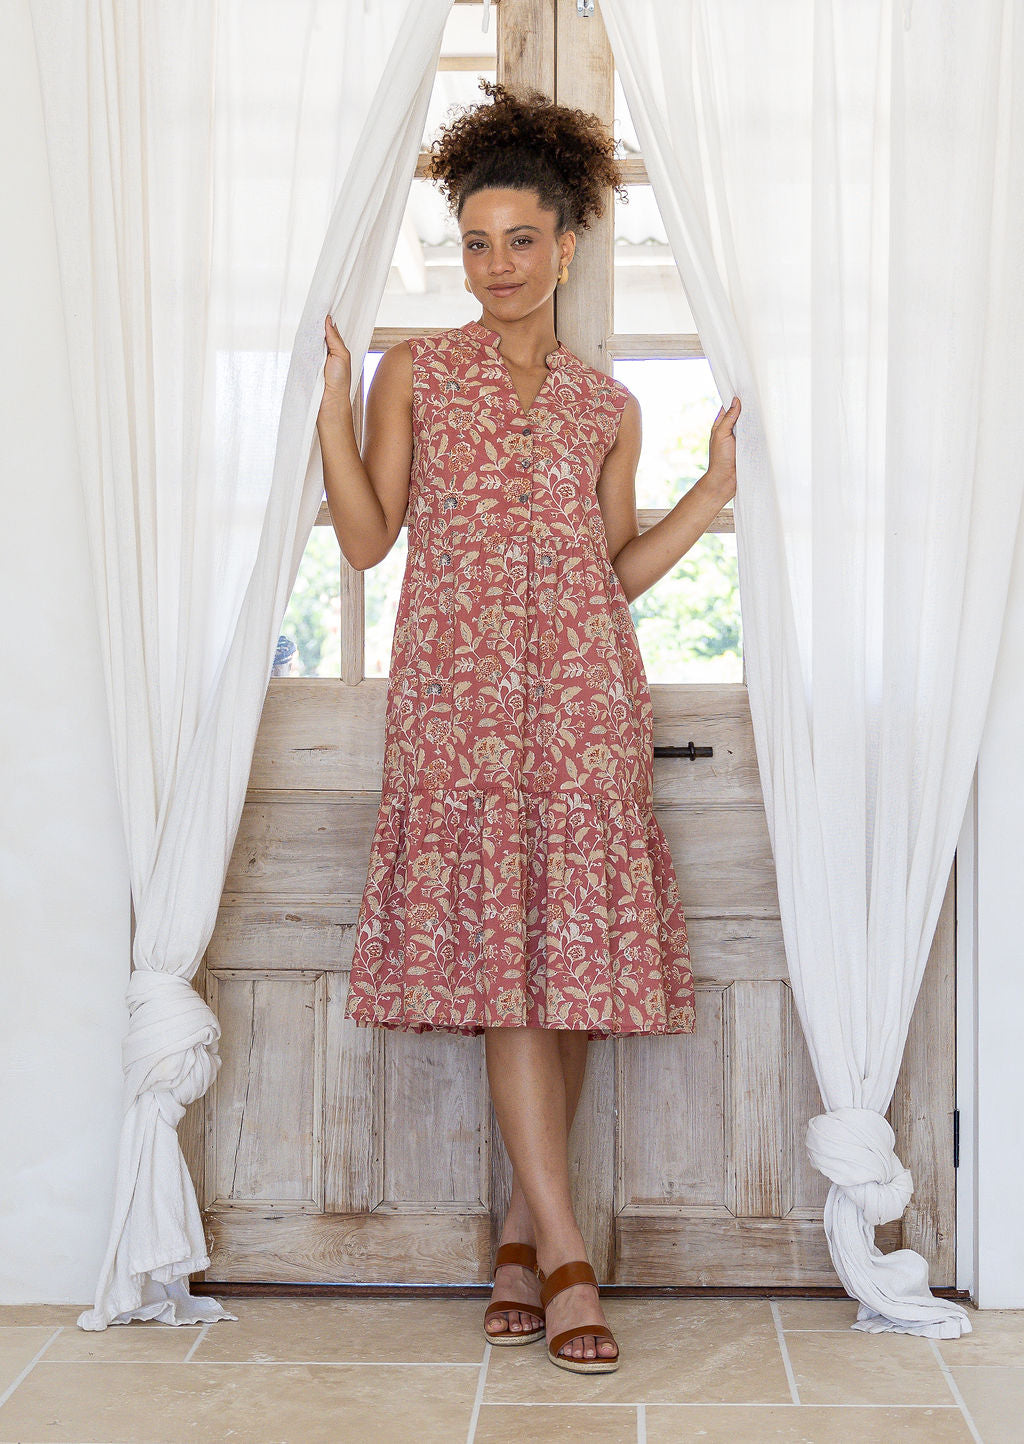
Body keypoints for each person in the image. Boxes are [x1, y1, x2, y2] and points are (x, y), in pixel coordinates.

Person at [315, 79, 739, 1375]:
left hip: (585, 706)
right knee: (508, 976)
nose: (495, 266)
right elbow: (373, 537)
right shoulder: (417, 375)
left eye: (519, 241)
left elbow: (609, 567)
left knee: (573, 983)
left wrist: (712, 493)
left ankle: (516, 1230)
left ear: (566, 246)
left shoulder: (607, 405)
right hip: (456, 716)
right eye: (475, 243)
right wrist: (332, 413)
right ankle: (567, 1260)